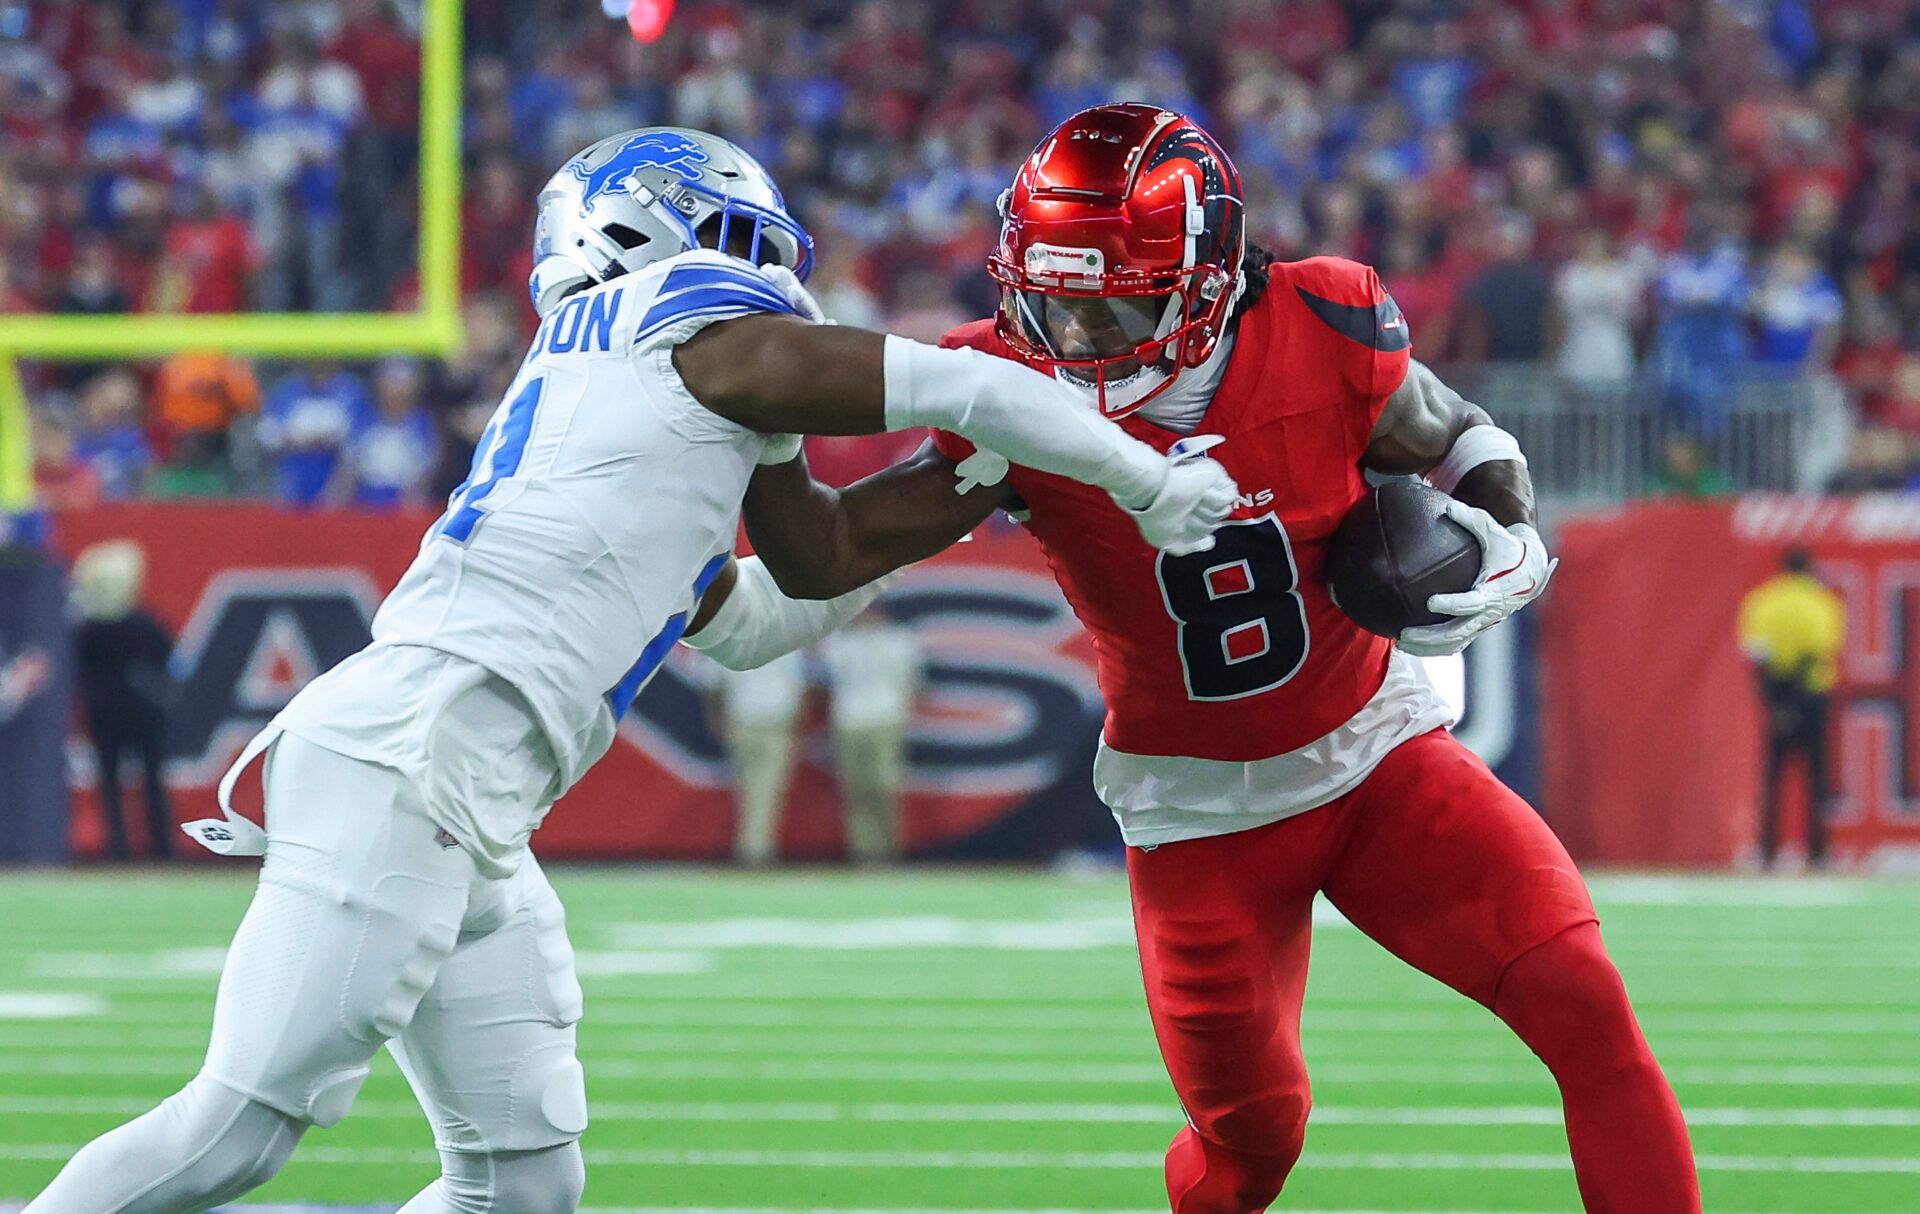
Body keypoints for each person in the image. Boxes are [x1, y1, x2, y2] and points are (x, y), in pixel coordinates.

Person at [23, 126, 1237, 1214]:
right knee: (235, 1127)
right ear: (655, 226)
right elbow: (961, 381)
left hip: (463, 785)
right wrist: (1144, 476)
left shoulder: (637, 407)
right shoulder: (679, 321)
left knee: (521, 1177)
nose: (766, 263)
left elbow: (786, 588)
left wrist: (975, 485)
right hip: (419, 758)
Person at [730, 105, 1700, 1213]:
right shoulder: (1007, 394)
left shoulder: (1325, 320)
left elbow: (1457, 433)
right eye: (1053, 298)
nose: (1078, 333)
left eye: (1111, 299)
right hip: (1197, 815)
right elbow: (825, 555)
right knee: (1251, 1147)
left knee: (1582, 994)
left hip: (1378, 756)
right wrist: (765, 433)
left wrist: (1508, 532)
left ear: (1204, 278)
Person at [1737, 548, 1846, 870]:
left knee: (1772, 776)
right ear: (1809, 567)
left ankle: (1767, 850)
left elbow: (1757, 654)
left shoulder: (1764, 601)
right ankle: (1818, 851)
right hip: (1811, 695)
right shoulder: (1821, 602)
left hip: (1776, 694)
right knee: (1816, 776)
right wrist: (1797, 699)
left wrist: (1775, 702)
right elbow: (1819, 652)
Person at [70, 540, 175, 862]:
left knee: (112, 784)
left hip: (104, 711)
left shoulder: (87, 629)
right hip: (142, 710)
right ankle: (161, 850)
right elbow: (166, 656)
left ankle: (118, 849)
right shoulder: (143, 623)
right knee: (151, 780)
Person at [821, 601, 922, 863]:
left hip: (886, 719)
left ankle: (890, 848)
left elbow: (912, 683)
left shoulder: (899, 640)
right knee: (855, 788)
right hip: (848, 720)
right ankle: (863, 851)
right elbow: (828, 679)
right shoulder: (841, 643)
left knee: (884, 785)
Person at [719, 648, 807, 866]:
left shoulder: (732, 639)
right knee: (762, 790)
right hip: (761, 722)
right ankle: (757, 851)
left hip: (756, 722)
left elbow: (713, 687)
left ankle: (752, 848)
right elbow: (799, 686)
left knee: (755, 790)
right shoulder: (787, 642)